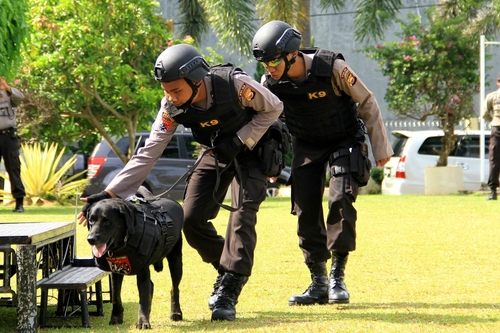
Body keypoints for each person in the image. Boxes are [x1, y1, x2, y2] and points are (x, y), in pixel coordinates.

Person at [77, 44, 283, 321]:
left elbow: (274, 108)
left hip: (254, 150)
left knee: (243, 215)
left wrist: (240, 138)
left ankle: (230, 288)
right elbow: (149, 151)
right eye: (166, 91)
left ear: (197, 81)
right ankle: (227, 267)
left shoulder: (235, 85)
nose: (170, 97)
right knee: (190, 218)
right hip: (215, 152)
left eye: (176, 90)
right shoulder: (170, 107)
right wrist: (109, 192)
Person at [252, 21, 394, 306]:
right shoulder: (271, 83)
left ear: (292, 53)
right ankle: (318, 283)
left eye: (273, 60)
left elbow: (366, 101)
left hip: (344, 138)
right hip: (306, 143)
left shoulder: (332, 68)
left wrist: (380, 147)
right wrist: (269, 163)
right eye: (265, 62)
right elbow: (269, 122)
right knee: (305, 210)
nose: (269, 67)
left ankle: (337, 278)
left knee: (340, 198)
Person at [0, 77, 26, 213]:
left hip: (8, 136)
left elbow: (20, 97)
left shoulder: (8, 95)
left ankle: (19, 202)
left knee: (13, 168)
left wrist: (7, 88)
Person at [482, 71, 500, 201]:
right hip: (496, 129)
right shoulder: (492, 96)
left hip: (497, 129)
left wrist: (493, 120)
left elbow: (484, 114)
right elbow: (484, 113)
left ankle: (493, 192)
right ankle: (493, 191)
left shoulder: (492, 96)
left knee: (494, 161)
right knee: (494, 161)